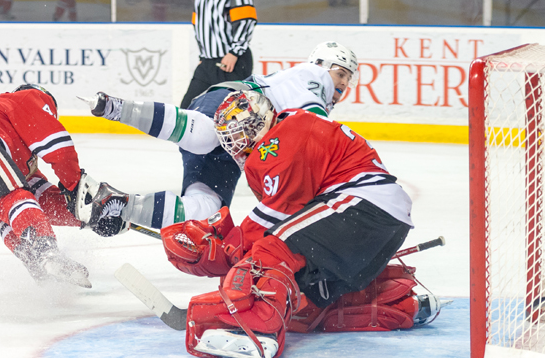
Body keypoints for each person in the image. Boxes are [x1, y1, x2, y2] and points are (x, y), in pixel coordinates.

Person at [159, 90, 440, 358]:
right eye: (231, 138)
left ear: (259, 121)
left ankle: (254, 329)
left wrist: (224, 249)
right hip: (379, 217)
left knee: (270, 253)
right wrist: (231, 248)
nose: (237, 145)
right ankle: (396, 304)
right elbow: (286, 212)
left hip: (362, 205)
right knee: (310, 299)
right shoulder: (292, 125)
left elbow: (277, 213)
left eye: (240, 133)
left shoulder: (278, 142)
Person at [79, 41, 359, 231]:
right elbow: (316, 135)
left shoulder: (318, 99)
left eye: (350, 78)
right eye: (341, 73)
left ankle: (122, 207)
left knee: (206, 212)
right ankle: (118, 109)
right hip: (231, 103)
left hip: (238, 149)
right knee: (205, 133)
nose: (345, 83)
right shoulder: (314, 77)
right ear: (322, 65)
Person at [0, 84, 124, 288]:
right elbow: (59, 149)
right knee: (14, 195)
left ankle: (39, 257)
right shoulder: (27, 97)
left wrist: (91, 216)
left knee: (1, 204)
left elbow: (37, 201)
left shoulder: (6, 161)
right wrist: (75, 186)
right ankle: (47, 252)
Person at [180, 0, 257, 110]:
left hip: (231, 61)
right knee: (187, 108)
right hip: (207, 62)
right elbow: (199, 22)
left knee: (238, 113)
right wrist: (203, 55)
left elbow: (245, 20)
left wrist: (234, 52)